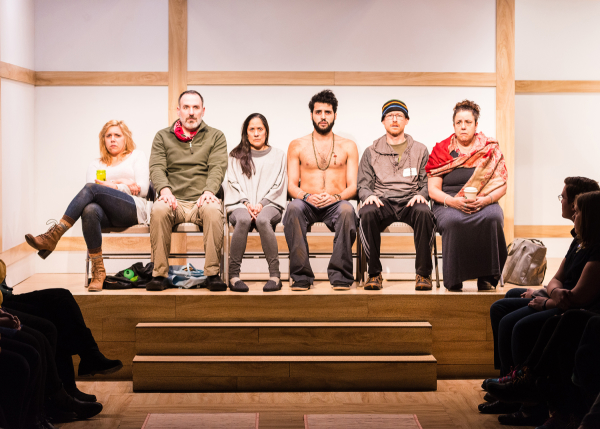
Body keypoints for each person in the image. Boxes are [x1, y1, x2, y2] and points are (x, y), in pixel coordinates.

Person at [24, 120, 151, 292]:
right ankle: (98, 271)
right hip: (106, 214)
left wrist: (114, 185)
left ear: (125, 138)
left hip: (132, 210)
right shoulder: (95, 164)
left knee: (91, 188)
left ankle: (54, 235)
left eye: (117, 135)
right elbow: (90, 195)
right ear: (103, 140)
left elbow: (143, 190)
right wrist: (127, 184)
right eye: (108, 136)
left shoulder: (137, 156)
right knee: (89, 209)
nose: (113, 139)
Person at [0, 260, 122, 405]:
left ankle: (88, 358)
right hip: (3, 304)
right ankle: (66, 388)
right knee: (53, 320)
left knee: (62, 298)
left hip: (5, 297)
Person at [147, 90, 228, 292]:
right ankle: (159, 275)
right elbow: (156, 167)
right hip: (173, 200)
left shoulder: (216, 136)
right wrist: (165, 191)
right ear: (178, 110)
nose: (191, 112)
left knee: (213, 210)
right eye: (186, 107)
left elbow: (217, 167)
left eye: (195, 107)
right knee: (158, 210)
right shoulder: (162, 136)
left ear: (203, 111)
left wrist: (209, 191)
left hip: (202, 200)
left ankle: (212, 274)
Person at [426, 100, 508, 291]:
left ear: (476, 125)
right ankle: (455, 279)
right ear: (454, 125)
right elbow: (433, 190)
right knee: (453, 221)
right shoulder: (441, 151)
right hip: (448, 202)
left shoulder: (489, 149)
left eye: (468, 122)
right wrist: (453, 201)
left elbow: (501, 185)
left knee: (493, 217)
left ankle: (487, 278)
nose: (463, 126)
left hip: (483, 200)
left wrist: (486, 200)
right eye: (459, 122)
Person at [284, 89, 359, 291]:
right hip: (306, 203)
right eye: (318, 112)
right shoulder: (297, 145)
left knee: (347, 210)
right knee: (293, 209)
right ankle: (301, 276)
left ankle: (340, 274)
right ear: (311, 115)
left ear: (335, 115)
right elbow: (291, 185)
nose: (323, 117)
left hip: (336, 203)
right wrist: (306, 196)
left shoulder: (348, 146)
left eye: (327, 112)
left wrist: (336, 197)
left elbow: (353, 186)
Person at [357, 100, 436, 291]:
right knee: (366, 212)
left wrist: (422, 194)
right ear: (383, 121)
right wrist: (368, 195)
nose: (394, 119)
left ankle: (423, 274)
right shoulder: (370, 151)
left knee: (424, 212)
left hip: (411, 199)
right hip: (382, 201)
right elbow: (363, 184)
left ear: (406, 120)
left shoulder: (420, 150)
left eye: (399, 115)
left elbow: (427, 181)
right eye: (389, 116)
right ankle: (374, 273)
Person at [225, 113, 287, 292]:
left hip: (270, 205)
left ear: (266, 131)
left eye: (260, 129)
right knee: (243, 219)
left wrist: (261, 204)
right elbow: (233, 183)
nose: (256, 133)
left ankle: (275, 275)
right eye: (252, 129)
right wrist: (246, 203)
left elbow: (279, 184)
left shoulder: (279, 155)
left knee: (263, 220)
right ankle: (233, 276)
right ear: (246, 133)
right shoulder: (235, 155)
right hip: (240, 204)